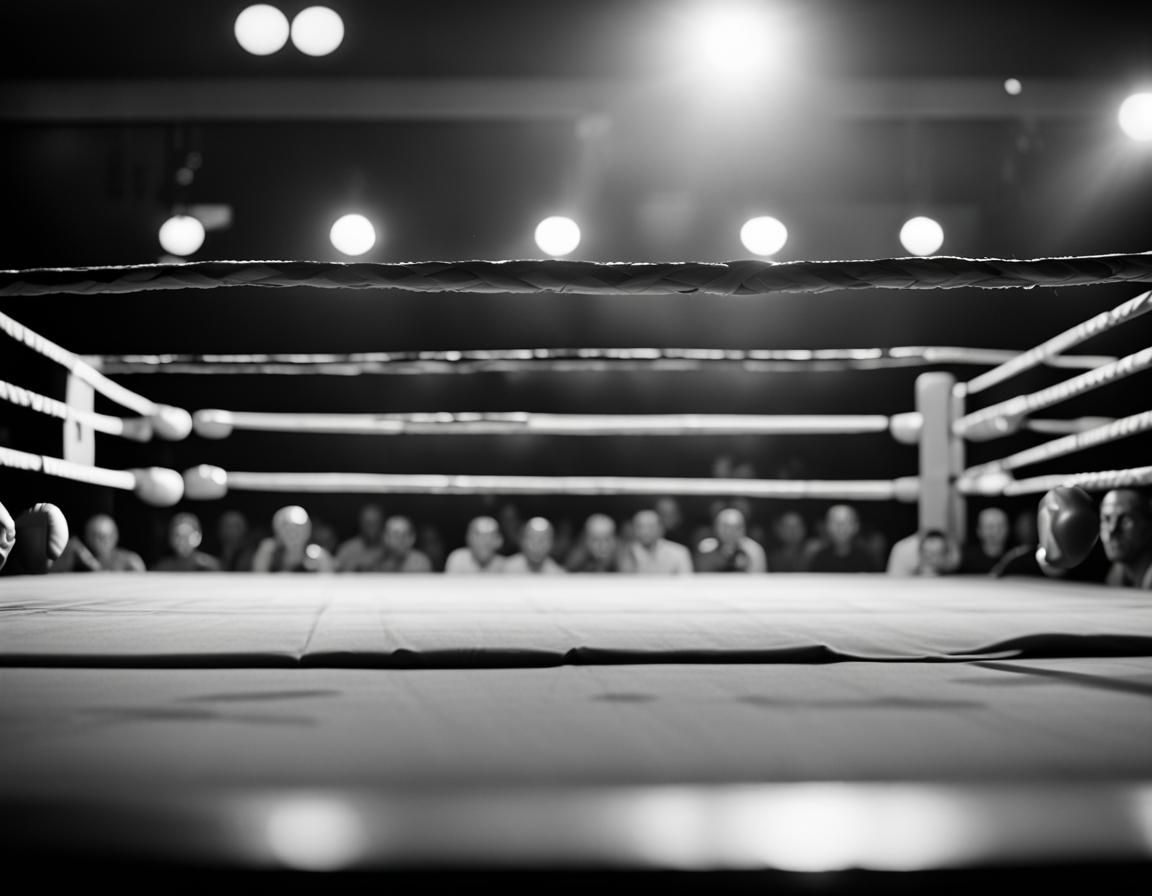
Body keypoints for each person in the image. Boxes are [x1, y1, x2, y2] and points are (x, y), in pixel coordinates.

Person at [51, 513, 145, 573]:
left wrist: (92, 564)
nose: (97, 541)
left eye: (103, 536)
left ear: (115, 536)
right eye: (93, 535)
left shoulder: (130, 561)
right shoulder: (77, 558)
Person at [251, 505, 334, 573]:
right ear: (277, 531)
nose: (293, 533)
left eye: (299, 527)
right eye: (287, 528)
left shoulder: (318, 556)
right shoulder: (269, 553)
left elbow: (326, 586)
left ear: (307, 530)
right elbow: (259, 578)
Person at [1099, 488, 1152, 589]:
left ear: (1148, 526)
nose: (1112, 530)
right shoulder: (1117, 573)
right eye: (1106, 519)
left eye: (1125, 521)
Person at [807, 504, 879, 573]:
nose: (841, 528)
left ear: (856, 526)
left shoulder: (866, 559)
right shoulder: (819, 559)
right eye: (836, 523)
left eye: (846, 522)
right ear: (827, 526)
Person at [693, 507, 767, 573]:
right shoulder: (706, 550)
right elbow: (701, 580)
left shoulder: (754, 551)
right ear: (716, 528)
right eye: (725, 527)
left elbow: (757, 582)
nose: (730, 532)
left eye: (736, 527)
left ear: (744, 529)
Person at [625, 508, 693, 574]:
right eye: (640, 526)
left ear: (661, 528)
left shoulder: (679, 553)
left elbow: (686, 582)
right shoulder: (626, 552)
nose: (645, 532)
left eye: (650, 526)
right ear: (633, 529)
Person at [152, 512, 220, 572]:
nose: (181, 541)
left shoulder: (209, 567)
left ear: (197, 537)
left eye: (185, 536)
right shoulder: (162, 568)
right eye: (177, 536)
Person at [566, 513, 630, 573]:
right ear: (585, 540)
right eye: (595, 540)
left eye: (607, 539)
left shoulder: (622, 558)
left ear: (615, 539)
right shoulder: (577, 560)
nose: (602, 545)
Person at [334, 502, 385, 572]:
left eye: (375, 523)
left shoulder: (390, 549)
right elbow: (335, 576)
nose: (372, 528)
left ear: (381, 523)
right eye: (368, 523)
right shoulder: (347, 550)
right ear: (361, 523)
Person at [959, 507, 1011, 574]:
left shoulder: (1018, 558)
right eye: (990, 527)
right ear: (979, 531)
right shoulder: (964, 561)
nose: (996, 531)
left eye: (1000, 526)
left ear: (1008, 529)